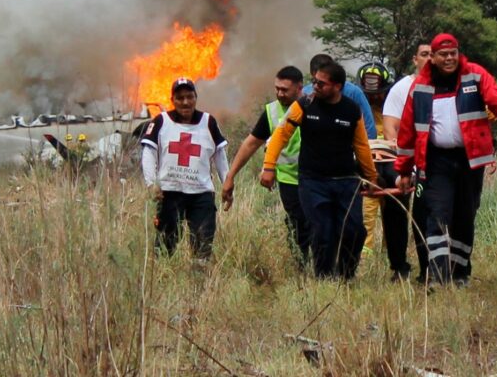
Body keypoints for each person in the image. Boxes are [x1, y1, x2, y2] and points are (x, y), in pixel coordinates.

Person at [383, 40, 497, 283]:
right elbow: (407, 132)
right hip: (436, 161)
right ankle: (437, 276)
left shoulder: (475, 75)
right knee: (437, 215)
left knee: (464, 217)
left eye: (453, 53)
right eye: (443, 54)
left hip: (470, 161)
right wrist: (404, 170)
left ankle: (460, 274)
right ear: (433, 58)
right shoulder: (420, 87)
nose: (449, 58)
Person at [261, 62, 379, 279]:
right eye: (314, 81)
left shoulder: (352, 110)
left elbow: (362, 146)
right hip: (313, 181)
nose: (314, 86)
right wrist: (269, 166)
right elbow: (280, 135)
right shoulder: (304, 104)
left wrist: (371, 178)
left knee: (355, 231)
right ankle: (323, 278)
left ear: (337, 86)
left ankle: (345, 276)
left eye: (321, 83)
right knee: (322, 231)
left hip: (346, 180)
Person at [222, 65, 311, 268]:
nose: (279, 94)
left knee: (317, 223)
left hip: (315, 178)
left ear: (300, 87)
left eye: (284, 90)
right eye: (277, 88)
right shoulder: (271, 111)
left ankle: (323, 269)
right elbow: (251, 143)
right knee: (298, 224)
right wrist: (231, 176)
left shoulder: (313, 106)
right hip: (289, 179)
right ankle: (303, 267)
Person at [141, 78, 228, 261]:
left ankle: (199, 283)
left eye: (190, 97)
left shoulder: (208, 122)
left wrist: (227, 183)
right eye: (180, 98)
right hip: (170, 194)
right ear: (172, 100)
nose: (185, 102)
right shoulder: (161, 121)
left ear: (196, 98)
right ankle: (161, 282)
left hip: (201, 194)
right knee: (165, 245)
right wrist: (151, 184)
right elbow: (148, 152)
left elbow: (220, 155)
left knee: (203, 244)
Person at [355, 62, 394, 258]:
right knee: (367, 211)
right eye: (369, 94)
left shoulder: (394, 108)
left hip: (393, 167)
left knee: (393, 210)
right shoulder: (358, 110)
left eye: (378, 93)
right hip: (367, 167)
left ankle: (391, 250)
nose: (374, 97)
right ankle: (366, 253)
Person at [302, 54, 377, 139]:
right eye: (315, 81)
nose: (316, 86)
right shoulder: (305, 95)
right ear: (313, 74)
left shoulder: (354, 93)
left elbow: (369, 126)